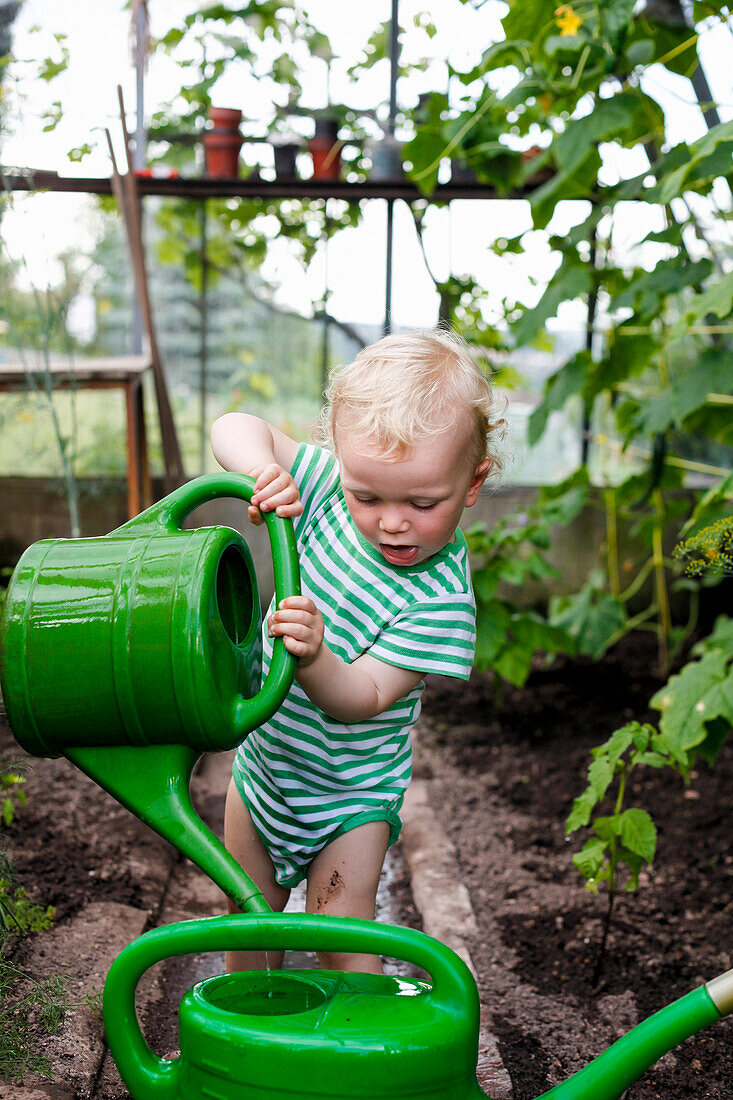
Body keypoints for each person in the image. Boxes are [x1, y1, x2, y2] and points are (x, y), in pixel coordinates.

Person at [210, 328, 504, 975]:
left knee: (341, 932)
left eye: (422, 503)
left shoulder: (441, 600)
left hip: (350, 800)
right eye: (367, 496)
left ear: (473, 482)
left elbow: (364, 698)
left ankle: (359, 1057)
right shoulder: (326, 493)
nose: (390, 521)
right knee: (248, 918)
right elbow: (234, 424)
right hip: (263, 770)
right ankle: (250, 1043)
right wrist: (265, 471)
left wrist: (312, 657)